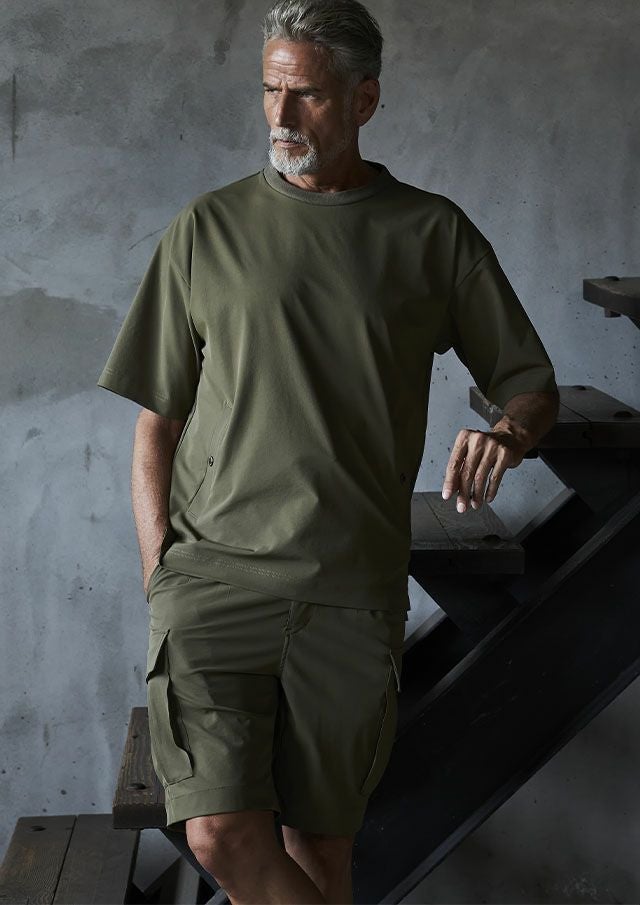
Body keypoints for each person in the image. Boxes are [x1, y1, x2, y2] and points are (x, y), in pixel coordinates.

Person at [97, 1, 559, 901]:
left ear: (364, 99)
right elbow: (157, 420)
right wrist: (161, 574)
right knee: (220, 832)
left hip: (350, 592)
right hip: (213, 585)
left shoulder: (432, 233)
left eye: (304, 94)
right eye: (269, 90)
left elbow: (528, 382)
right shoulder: (207, 229)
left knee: (321, 853)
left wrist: (507, 431)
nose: (280, 114)